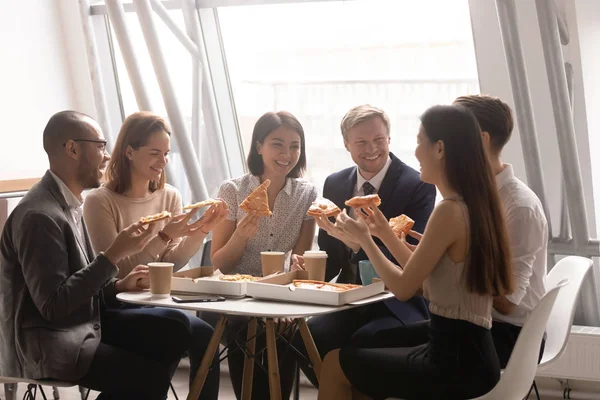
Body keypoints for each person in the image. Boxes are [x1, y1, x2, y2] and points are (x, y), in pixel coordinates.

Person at [317, 104, 514, 400]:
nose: (416, 152)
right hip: (470, 352)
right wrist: (383, 231)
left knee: (336, 365)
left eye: (420, 142)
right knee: (354, 358)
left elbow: (404, 288)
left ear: (439, 149)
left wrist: (366, 241)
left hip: (454, 362)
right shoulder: (474, 203)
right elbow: (424, 281)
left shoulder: (448, 212)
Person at [0, 111, 199, 399]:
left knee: (176, 329)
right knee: (150, 377)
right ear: (72, 148)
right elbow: (54, 307)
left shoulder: (69, 204)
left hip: (79, 328)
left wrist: (118, 285)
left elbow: (76, 290)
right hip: (47, 346)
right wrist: (113, 256)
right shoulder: (39, 216)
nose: (107, 157)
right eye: (100, 146)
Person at [83, 111, 226, 399]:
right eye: (154, 153)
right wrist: (164, 235)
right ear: (129, 153)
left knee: (206, 337)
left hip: (157, 300)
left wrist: (200, 231)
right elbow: (118, 268)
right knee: (171, 339)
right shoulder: (99, 201)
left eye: (166, 153)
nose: (163, 162)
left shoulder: (169, 196)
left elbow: (171, 262)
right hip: (116, 304)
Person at [291, 105, 435, 386]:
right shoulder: (335, 183)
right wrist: (310, 267)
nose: (372, 149)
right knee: (303, 338)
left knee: (363, 342)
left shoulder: (418, 185)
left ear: (389, 138)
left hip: (399, 302)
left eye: (379, 140)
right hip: (351, 300)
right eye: (361, 142)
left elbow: (413, 261)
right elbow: (333, 254)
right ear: (346, 144)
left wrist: (360, 245)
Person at [209, 111, 317, 399]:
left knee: (287, 330)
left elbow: (299, 261)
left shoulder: (307, 195)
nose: (287, 154)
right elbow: (218, 264)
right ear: (259, 146)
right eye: (277, 144)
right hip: (235, 296)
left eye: (295, 146)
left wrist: (283, 296)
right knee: (252, 329)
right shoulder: (232, 190)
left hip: (280, 292)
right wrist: (241, 235)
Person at [454, 94, 548, 367]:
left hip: (508, 334)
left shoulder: (519, 207)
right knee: (367, 345)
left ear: (480, 140)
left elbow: (507, 303)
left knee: (364, 358)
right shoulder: (472, 194)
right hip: (477, 321)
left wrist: (451, 260)